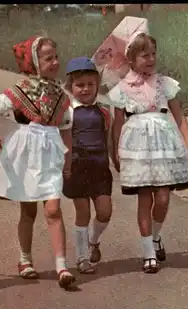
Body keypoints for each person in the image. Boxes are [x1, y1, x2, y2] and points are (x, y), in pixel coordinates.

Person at [0, 36, 76, 289]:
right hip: (26, 152)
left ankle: (62, 266)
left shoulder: (60, 95)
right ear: (33, 62)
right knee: (29, 210)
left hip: (51, 150)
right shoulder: (19, 91)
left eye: (56, 57)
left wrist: (68, 156)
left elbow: (66, 127)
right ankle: (25, 259)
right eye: (48, 58)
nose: (55, 62)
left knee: (53, 209)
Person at [109, 32, 188, 274]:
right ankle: (148, 253)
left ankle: (155, 236)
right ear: (131, 58)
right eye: (144, 55)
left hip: (163, 147)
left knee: (162, 198)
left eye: (153, 53)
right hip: (136, 149)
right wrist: (117, 152)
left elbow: (179, 115)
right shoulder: (122, 89)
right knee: (144, 199)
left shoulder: (164, 83)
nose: (150, 59)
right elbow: (117, 124)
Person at [62, 57, 114, 274]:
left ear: (97, 85)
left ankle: (94, 241)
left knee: (105, 212)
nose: (85, 89)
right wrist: (64, 166)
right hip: (76, 168)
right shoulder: (67, 112)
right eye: (79, 85)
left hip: (100, 168)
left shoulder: (103, 111)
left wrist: (116, 160)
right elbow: (62, 140)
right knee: (82, 212)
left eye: (90, 84)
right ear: (70, 87)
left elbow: (108, 138)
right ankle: (82, 258)